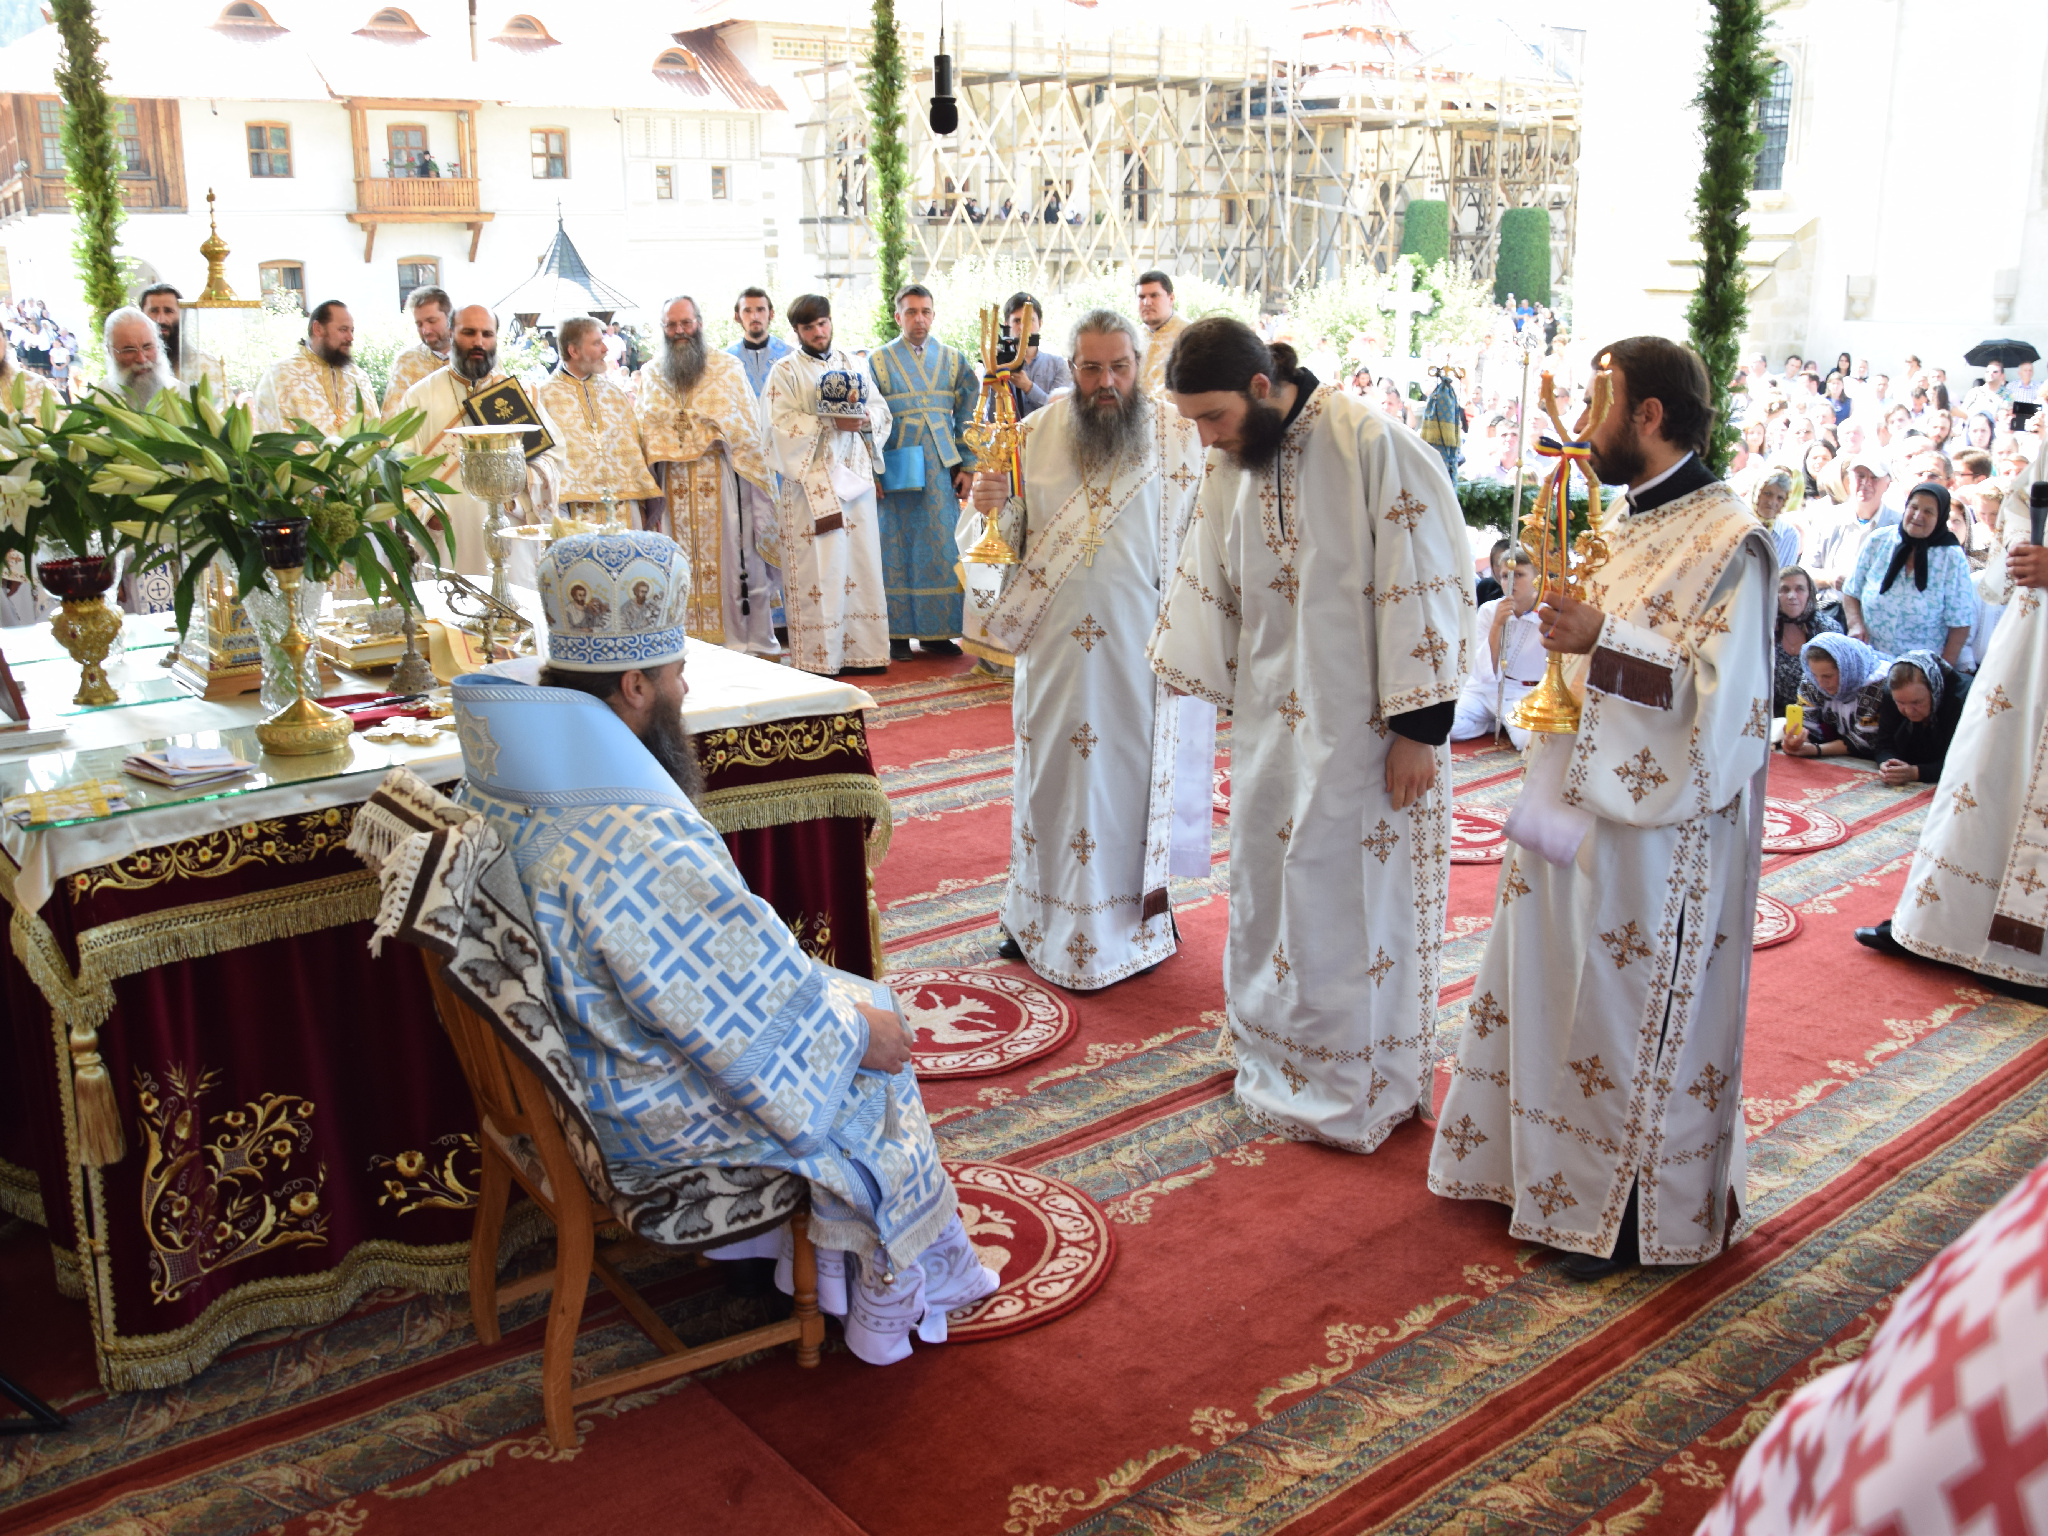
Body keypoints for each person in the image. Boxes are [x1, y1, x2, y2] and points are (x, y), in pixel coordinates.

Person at [449, 531, 999, 1362]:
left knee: (837, 1001)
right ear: (635, 686)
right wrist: (856, 1035)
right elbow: (724, 1016)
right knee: (870, 1053)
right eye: (675, 674)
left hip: (577, 1060)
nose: (684, 689)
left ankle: (786, 1260)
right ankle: (878, 1298)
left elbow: (712, 970)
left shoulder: (507, 774)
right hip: (633, 1111)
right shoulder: (634, 833)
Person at [1427, 336, 1776, 1279]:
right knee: (1550, 985)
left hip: (1657, 837)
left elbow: (1727, 709)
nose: (1580, 427)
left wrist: (1602, 640)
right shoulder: (1621, 519)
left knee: (1622, 1011)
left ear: (1647, 415)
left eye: (1596, 406)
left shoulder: (1730, 542)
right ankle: (1537, 1178)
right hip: (1569, 794)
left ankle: (1622, 1215)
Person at [1150, 319, 1473, 1152]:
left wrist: (1421, 729)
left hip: (1367, 730)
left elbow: (1426, 581)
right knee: (1270, 887)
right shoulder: (1231, 461)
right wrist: (1198, 670)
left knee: (1349, 900)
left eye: (1213, 416)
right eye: (1192, 421)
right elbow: (1210, 575)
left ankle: (1356, 1082)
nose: (1204, 438)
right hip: (1271, 720)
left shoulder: (1372, 445)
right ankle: (1271, 1049)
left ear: (1262, 387)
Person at [966, 309, 1208, 988]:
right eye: (1092, 368)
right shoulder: (1029, 436)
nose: (1107, 383)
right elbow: (996, 552)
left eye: (1120, 367)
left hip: (1141, 653)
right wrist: (988, 507)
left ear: (1140, 364)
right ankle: (1032, 916)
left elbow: (1205, 545)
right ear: (1071, 368)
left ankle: (1138, 921)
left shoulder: (1179, 439)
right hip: (1055, 655)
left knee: (1129, 783)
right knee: (1049, 782)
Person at [1860, 445, 2048, 1002]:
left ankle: (2031, 956)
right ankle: (1936, 928)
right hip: (2030, 638)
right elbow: (2022, 505)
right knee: (1982, 775)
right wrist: (2024, 547)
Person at [633, 295, 777, 653]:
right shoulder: (652, 373)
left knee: (727, 563)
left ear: (699, 322)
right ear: (663, 328)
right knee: (674, 562)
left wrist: (712, 435)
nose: (680, 331)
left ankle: (734, 641)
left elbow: (746, 431)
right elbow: (644, 428)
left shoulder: (727, 368)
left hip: (719, 481)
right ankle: (679, 641)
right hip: (670, 484)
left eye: (686, 323)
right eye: (671, 325)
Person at [760, 293, 892, 677]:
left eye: (822, 323)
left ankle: (864, 652)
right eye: (809, 327)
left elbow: (881, 410)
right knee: (822, 567)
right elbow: (775, 427)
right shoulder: (785, 371)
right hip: (811, 486)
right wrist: (830, 422)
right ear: (796, 331)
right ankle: (822, 657)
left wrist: (865, 419)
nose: (818, 332)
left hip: (855, 482)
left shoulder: (854, 363)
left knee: (861, 563)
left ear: (830, 321)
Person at [398, 304, 564, 576]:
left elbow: (553, 456)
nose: (479, 342)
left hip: (512, 531)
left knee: (513, 599)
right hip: (449, 536)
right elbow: (400, 466)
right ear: (451, 333)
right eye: (469, 333)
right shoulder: (419, 397)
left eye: (487, 334)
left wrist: (520, 479)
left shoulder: (520, 395)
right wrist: (427, 513)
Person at [870, 285, 977, 658]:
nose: (919, 319)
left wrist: (968, 464)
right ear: (898, 316)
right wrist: (873, 470)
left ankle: (937, 631)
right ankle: (897, 635)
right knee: (896, 546)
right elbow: (868, 420)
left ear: (933, 315)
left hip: (941, 468)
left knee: (942, 545)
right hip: (896, 467)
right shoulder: (877, 361)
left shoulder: (953, 360)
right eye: (912, 311)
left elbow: (969, 414)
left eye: (926, 311)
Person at [536, 314, 662, 525]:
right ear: (573, 351)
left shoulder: (614, 394)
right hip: (571, 510)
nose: (605, 349)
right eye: (596, 343)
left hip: (623, 507)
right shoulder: (544, 398)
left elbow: (635, 451)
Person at [1842, 480, 1974, 665]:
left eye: (1928, 511)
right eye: (1914, 507)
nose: (1918, 516)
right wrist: (1855, 624)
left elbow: (1960, 623)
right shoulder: (1879, 540)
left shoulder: (1951, 557)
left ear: (1940, 518)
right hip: (1871, 659)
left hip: (1918, 669)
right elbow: (1851, 591)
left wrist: (1942, 670)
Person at [1451, 549, 1545, 749]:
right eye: (1505, 576)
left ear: (1537, 577)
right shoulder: (1489, 610)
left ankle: (1502, 722)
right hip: (1484, 690)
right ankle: (1490, 724)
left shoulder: (1547, 614)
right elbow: (1483, 670)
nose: (1510, 582)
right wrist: (1497, 625)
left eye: (1519, 575)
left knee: (1529, 742)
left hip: (1523, 693)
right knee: (1446, 727)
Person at [254, 300, 378, 437]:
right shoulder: (280, 375)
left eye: (352, 330)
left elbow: (374, 431)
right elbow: (276, 435)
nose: (350, 337)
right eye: (343, 330)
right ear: (318, 329)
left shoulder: (359, 378)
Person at [1782, 632, 1888, 758]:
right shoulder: (1813, 680)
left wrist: (1816, 750)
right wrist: (1798, 741)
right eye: (1815, 675)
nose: (1821, 684)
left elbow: (1864, 740)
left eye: (1828, 676)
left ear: (1847, 669)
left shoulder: (1877, 684)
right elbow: (1807, 725)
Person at [1869, 651, 1965, 786]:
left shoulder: (1960, 701)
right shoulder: (1891, 694)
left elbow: (1962, 761)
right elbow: (1884, 743)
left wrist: (1915, 773)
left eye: (1917, 702)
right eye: (1901, 703)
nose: (1908, 711)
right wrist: (1889, 764)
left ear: (1934, 691)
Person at [1806, 455, 1900, 589]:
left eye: (1874, 477)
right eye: (1860, 476)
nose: (1866, 483)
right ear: (1849, 480)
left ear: (1887, 484)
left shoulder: (1898, 525)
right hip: (1832, 599)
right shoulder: (1827, 518)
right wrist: (1830, 579)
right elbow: (1805, 571)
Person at [1771, 565, 1843, 712]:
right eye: (1784, 589)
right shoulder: (1766, 629)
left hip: (1821, 710)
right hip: (1774, 710)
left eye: (1800, 589)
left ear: (1810, 593)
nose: (1792, 595)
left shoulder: (1827, 629)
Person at [138, 283, 226, 402]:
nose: (161, 319)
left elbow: (220, 409)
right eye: (154, 311)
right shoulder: (134, 365)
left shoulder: (205, 365)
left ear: (182, 316)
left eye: (168, 311)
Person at [998, 292, 1073, 414]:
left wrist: (1028, 387)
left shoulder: (1058, 365)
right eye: (1017, 321)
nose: (1023, 328)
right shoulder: (998, 364)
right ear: (1006, 325)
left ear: (1040, 323)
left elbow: (1060, 411)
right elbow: (991, 416)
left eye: (1029, 320)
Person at [383, 286, 453, 414]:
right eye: (419, 324)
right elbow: (393, 417)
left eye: (432, 321)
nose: (425, 330)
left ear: (450, 318)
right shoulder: (407, 362)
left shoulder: (472, 358)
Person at [101, 305, 184, 412]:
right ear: (110, 351)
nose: (141, 359)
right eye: (129, 350)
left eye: (147, 347)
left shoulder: (184, 397)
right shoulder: (95, 406)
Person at [727, 286, 792, 400]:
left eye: (760, 309)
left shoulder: (789, 355)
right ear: (737, 317)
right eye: (747, 311)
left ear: (771, 314)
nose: (754, 316)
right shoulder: (728, 360)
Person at [1135, 270, 1186, 398]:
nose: (1147, 302)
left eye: (1154, 295)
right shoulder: (1132, 338)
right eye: (1141, 297)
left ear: (1171, 298)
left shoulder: (1189, 335)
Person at [1750, 466, 1799, 567]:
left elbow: (1786, 573)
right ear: (1757, 493)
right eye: (1767, 494)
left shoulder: (1789, 535)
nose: (1772, 502)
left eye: (1780, 498)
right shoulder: (1740, 524)